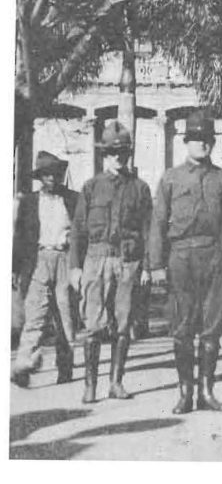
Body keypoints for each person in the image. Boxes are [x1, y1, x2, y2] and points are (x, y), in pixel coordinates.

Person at [150, 111, 222, 413]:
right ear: (186, 142)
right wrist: (155, 265)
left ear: (213, 143)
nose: (201, 144)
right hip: (180, 258)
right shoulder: (170, 179)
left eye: (206, 139)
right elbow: (158, 223)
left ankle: (206, 391)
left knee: (212, 327)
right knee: (182, 327)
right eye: (196, 139)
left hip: (215, 257)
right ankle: (185, 393)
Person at [68, 122, 152, 403]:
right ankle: (90, 386)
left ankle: (116, 382)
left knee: (123, 323)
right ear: (104, 155)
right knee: (93, 323)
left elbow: (147, 230)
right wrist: (75, 267)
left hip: (128, 262)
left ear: (129, 153)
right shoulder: (91, 188)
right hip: (96, 260)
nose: (118, 157)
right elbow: (78, 231)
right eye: (112, 152)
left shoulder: (140, 189)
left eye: (123, 151)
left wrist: (147, 267)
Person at [10, 152, 80, 388]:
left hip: (64, 258)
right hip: (38, 260)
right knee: (35, 315)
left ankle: (65, 366)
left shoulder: (73, 199)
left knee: (66, 314)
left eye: (56, 174)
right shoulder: (29, 202)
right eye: (47, 174)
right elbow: (19, 237)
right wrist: (14, 268)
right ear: (40, 177)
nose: (52, 178)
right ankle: (23, 365)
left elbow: (81, 234)